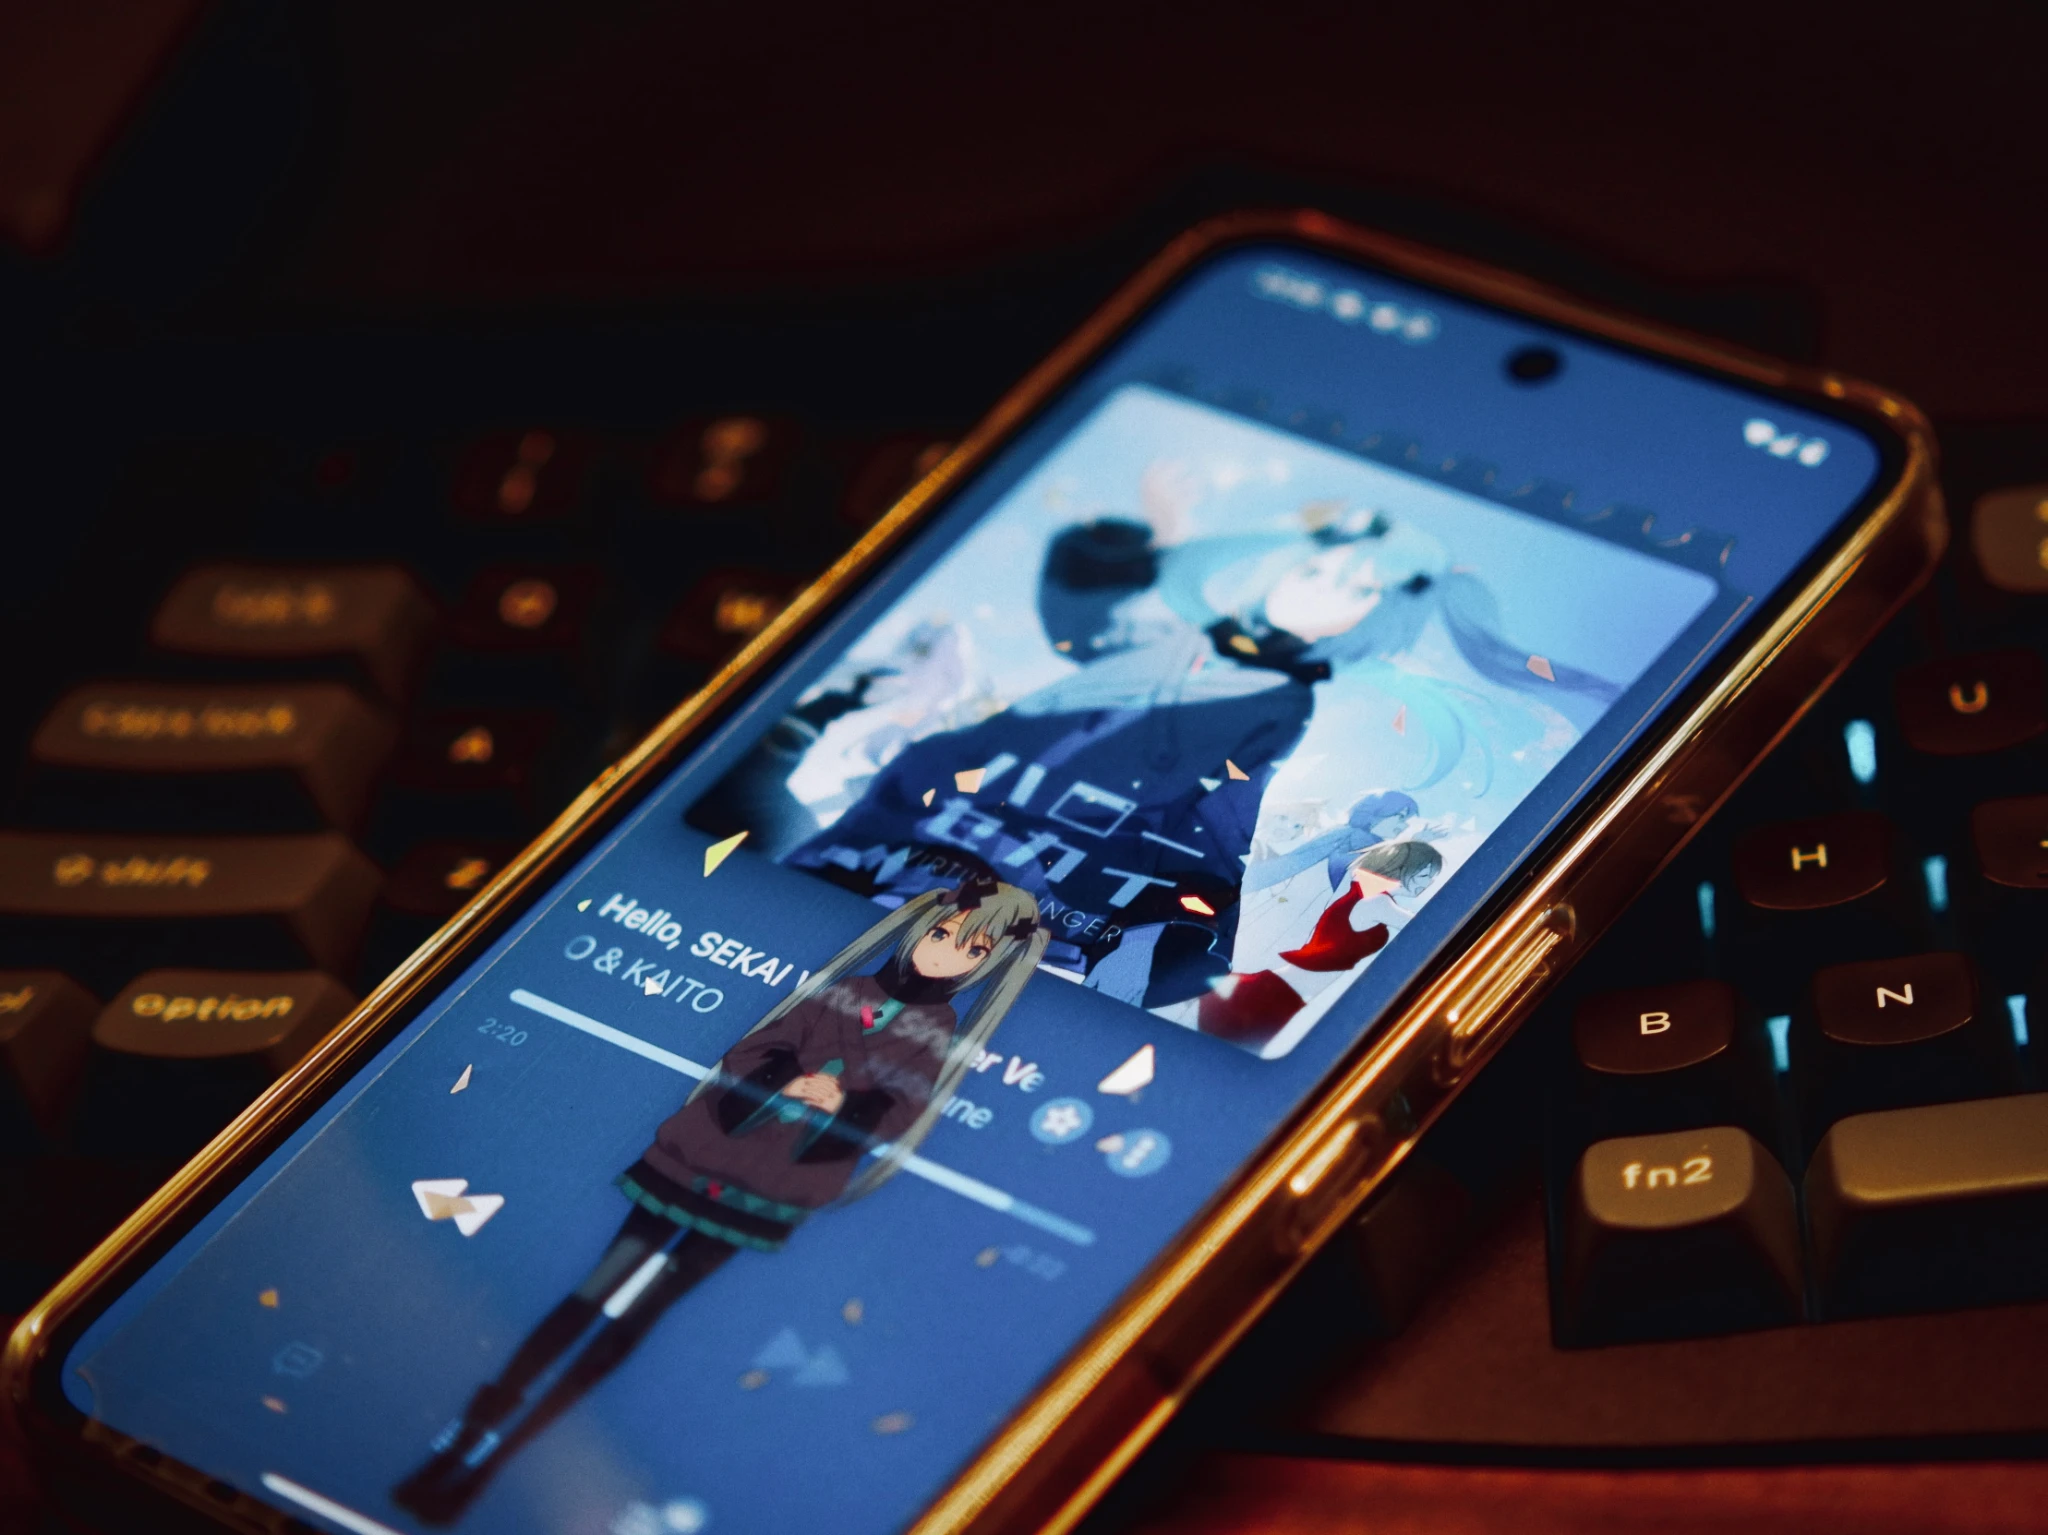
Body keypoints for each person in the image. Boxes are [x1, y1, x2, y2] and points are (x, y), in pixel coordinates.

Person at [719, 495, 1612, 1035]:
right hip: (960, 813)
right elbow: (1080, 628)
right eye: (1322, 569)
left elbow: (1204, 805)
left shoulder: (1281, 698)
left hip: (1072, 852)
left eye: (1356, 590)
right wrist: (1115, 546)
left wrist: (1185, 907)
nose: (1321, 591)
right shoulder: (1170, 635)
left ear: (1374, 618)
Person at [394, 878, 1048, 1523]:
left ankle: (499, 1461)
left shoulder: (939, 1029)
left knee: (637, 1317)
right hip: (704, 1151)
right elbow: (756, 1047)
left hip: (773, 1184)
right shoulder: (846, 990)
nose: (945, 952)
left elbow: (900, 1109)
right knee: (597, 1290)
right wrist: (789, 1078)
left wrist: (843, 1103)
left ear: (988, 963)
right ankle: (466, 1436)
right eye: (942, 933)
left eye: (971, 948)